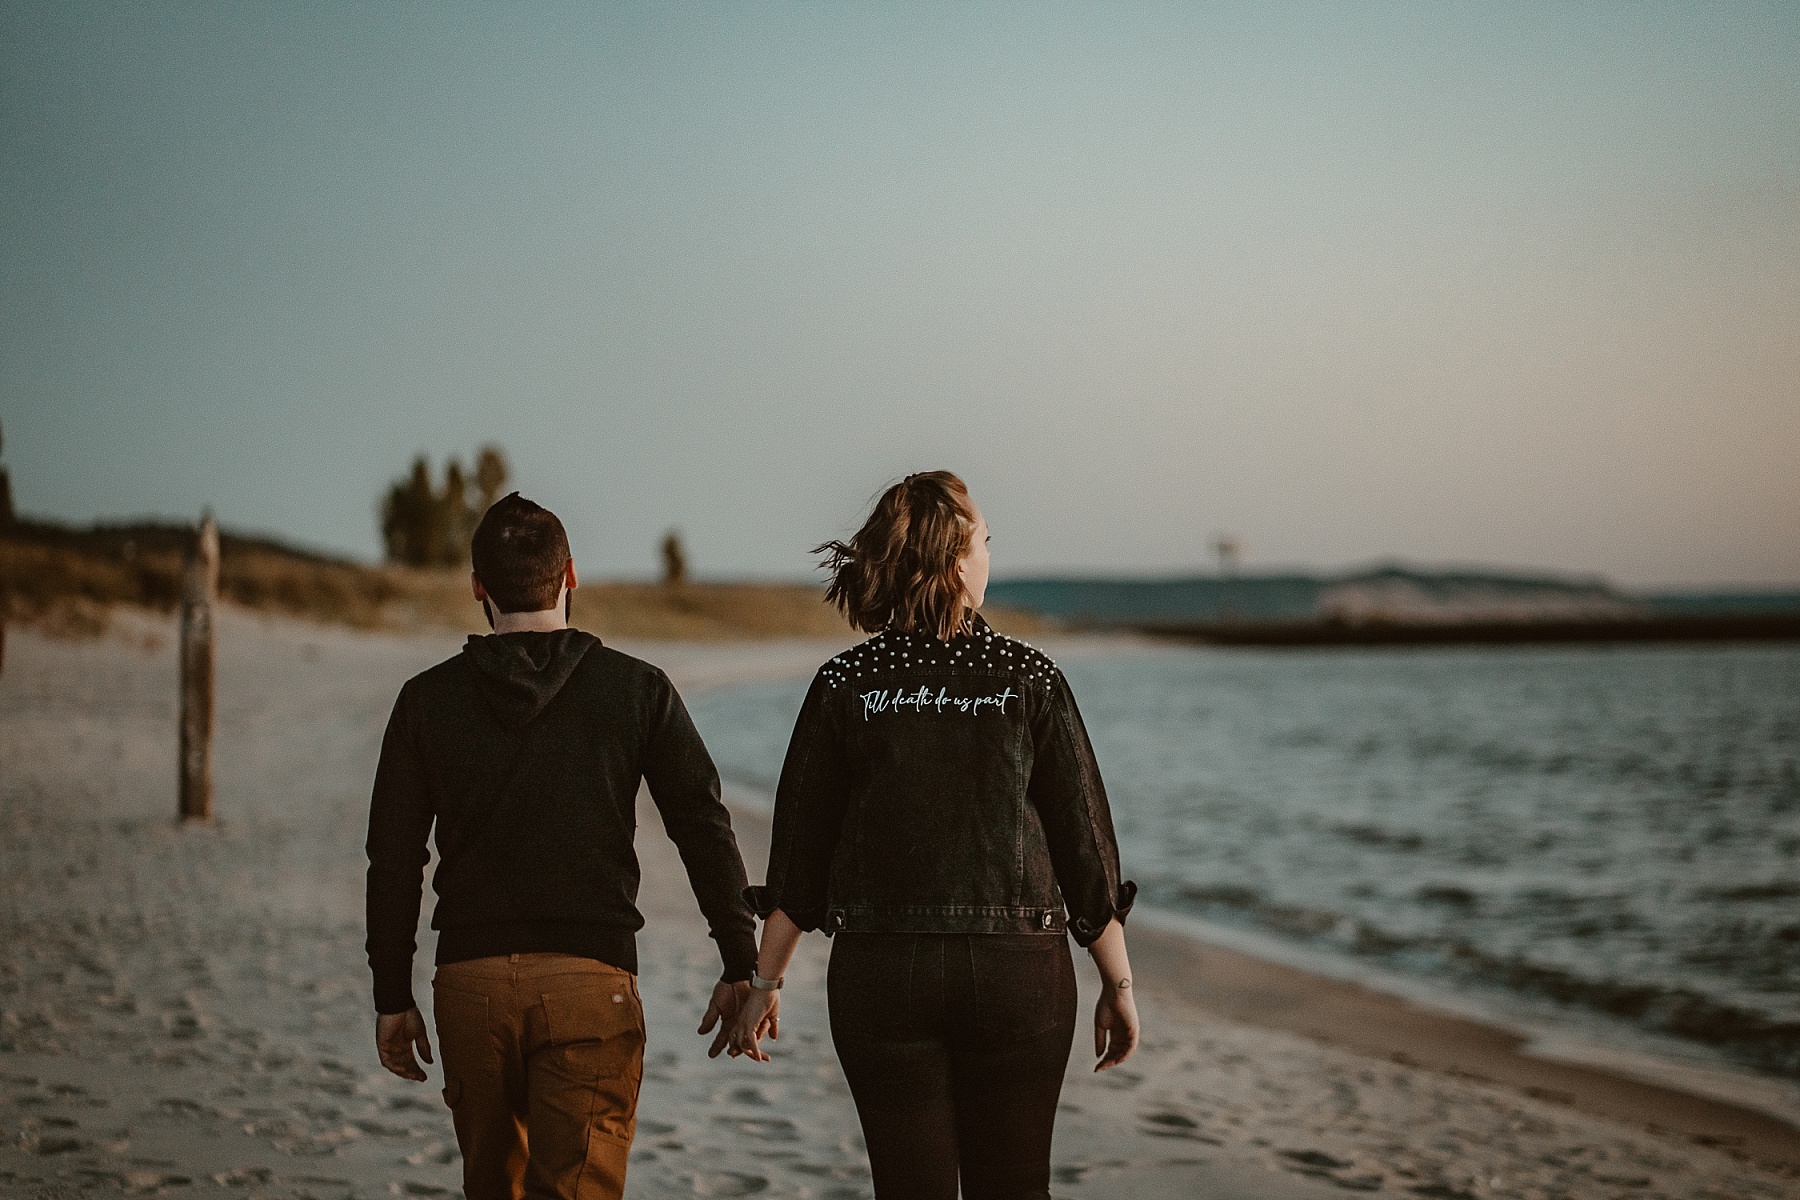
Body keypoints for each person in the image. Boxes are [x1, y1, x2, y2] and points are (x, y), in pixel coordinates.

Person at [725, 471, 1140, 1200]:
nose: (988, 558)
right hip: (1019, 976)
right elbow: (1088, 855)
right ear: (954, 560)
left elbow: (799, 860)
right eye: (984, 543)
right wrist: (1119, 984)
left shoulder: (845, 683)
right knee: (1013, 1187)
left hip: (884, 976)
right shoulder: (1029, 676)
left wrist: (764, 982)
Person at [364, 492, 759, 1200]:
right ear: (570, 576)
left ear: (478, 587)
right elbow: (701, 825)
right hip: (592, 983)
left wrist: (392, 993)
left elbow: (395, 860)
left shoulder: (426, 700)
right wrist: (742, 961)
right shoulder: (638, 689)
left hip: (470, 987)